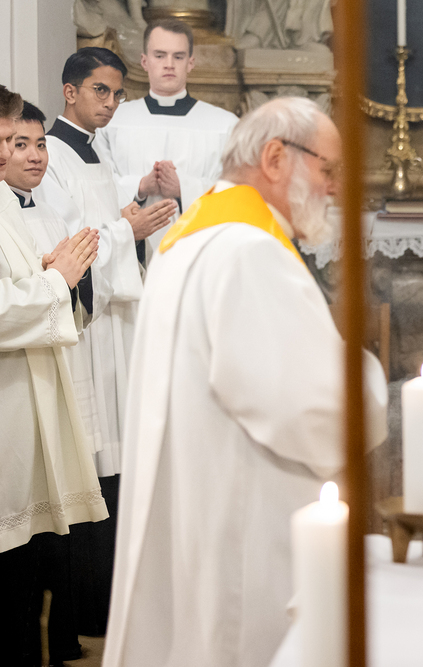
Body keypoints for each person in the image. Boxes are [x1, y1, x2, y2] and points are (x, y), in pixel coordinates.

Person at [102, 97, 389, 667]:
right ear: (276, 158)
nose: (335, 188)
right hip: (245, 533)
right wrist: (369, 378)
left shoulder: (189, 238)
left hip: (200, 515)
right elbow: (314, 409)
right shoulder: (249, 252)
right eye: (329, 169)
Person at [34, 46, 175, 636]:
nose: (112, 102)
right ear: (70, 92)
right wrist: (127, 228)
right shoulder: (51, 153)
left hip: (116, 327)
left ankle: (112, 600)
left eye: (118, 93)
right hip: (87, 331)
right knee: (93, 463)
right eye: (101, 90)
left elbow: (107, 218)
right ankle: (85, 609)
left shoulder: (98, 147)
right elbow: (69, 240)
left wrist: (136, 211)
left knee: (117, 463)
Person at [0, 84, 107, 667]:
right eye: (11, 141)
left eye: (33, 142)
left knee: (33, 555)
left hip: (31, 389)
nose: (22, 154)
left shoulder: (19, 205)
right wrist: (54, 280)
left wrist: (59, 274)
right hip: (10, 396)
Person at [96, 19, 238, 262]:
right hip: (129, 256)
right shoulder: (113, 120)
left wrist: (183, 188)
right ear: (144, 61)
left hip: (199, 254)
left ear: (191, 63)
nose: (169, 64)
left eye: (178, 56)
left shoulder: (225, 125)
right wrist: (141, 186)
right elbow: (97, 186)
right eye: (160, 55)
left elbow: (235, 192)